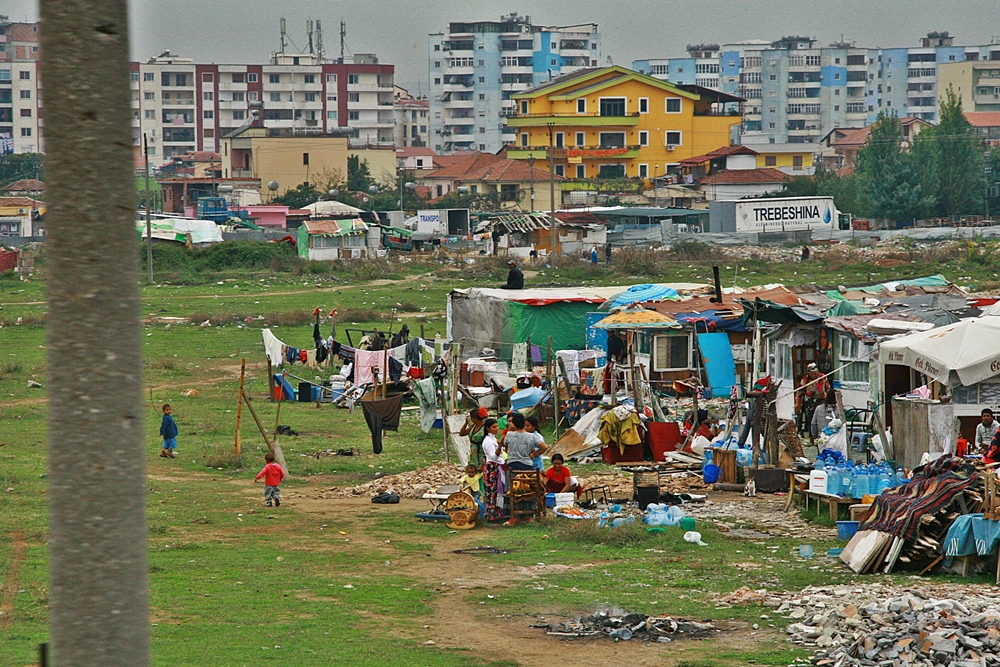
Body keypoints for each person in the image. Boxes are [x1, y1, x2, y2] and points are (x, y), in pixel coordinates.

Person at [481, 419, 506, 522]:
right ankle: (492, 514)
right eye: (494, 427)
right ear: (488, 428)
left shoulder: (493, 439)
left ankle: (497, 513)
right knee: (492, 491)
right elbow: (493, 456)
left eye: (497, 426)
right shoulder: (488, 441)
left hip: (497, 466)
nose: (497, 429)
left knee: (497, 490)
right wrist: (500, 446)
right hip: (492, 467)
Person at [798, 363, 829, 443]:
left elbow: (828, 388)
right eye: (812, 374)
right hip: (810, 401)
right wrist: (798, 402)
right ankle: (812, 437)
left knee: (822, 417)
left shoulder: (823, 377)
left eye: (815, 373)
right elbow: (800, 390)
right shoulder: (806, 379)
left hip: (822, 400)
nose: (814, 375)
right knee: (811, 419)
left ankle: (823, 435)